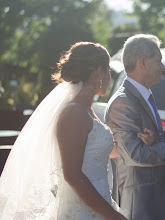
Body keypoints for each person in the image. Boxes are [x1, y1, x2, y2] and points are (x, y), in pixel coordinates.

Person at [0, 42, 151, 219]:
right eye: (108, 70)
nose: (110, 77)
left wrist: (139, 140)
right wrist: (111, 214)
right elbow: (72, 174)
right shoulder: (74, 113)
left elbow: (104, 152)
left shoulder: (87, 110)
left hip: (98, 204)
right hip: (81, 210)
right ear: (98, 72)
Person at [105, 34, 165, 220]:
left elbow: (148, 145)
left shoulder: (143, 95)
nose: (163, 67)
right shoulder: (123, 102)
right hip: (142, 204)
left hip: (157, 199)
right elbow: (134, 155)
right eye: (159, 60)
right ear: (142, 62)